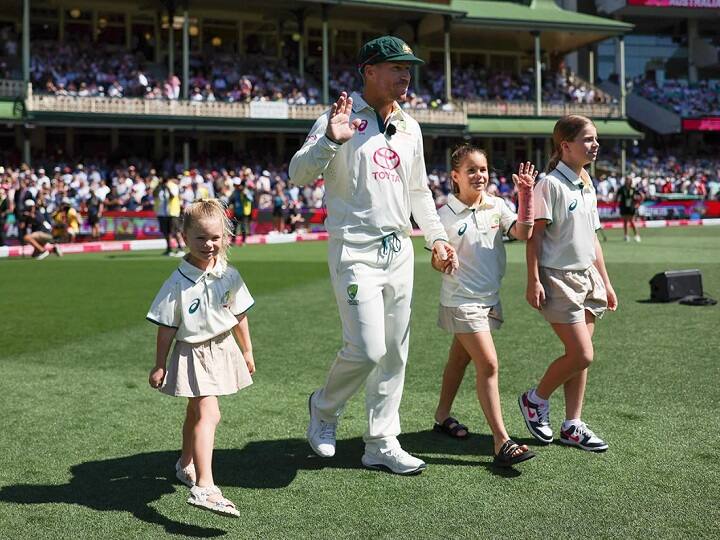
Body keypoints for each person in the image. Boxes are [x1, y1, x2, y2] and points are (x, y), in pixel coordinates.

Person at [289, 35, 458, 475]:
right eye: (396, 67)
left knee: (395, 353)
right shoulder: (338, 117)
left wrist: (436, 239)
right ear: (369, 71)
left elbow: (419, 191)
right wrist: (330, 139)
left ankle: (381, 441)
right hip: (354, 248)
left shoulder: (410, 126)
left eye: (408, 68)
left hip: (399, 248)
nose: (405, 75)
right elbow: (298, 175)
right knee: (366, 348)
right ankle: (323, 409)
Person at [146, 199, 255, 517]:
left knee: (196, 412)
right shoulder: (177, 283)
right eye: (201, 238)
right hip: (194, 353)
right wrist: (159, 363)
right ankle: (205, 487)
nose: (209, 245)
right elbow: (167, 327)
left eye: (215, 238)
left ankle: (185, 464)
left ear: (225, 236)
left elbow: (239, 314)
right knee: (210, 413)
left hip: (223, 349)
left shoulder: (229, 274)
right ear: (184, 236)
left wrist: (247, 350)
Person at [430, 144, 536, 467]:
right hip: (460, 301)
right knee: (488, 364)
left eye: (483, 170)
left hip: (488, 299)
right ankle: (501, 442)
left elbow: (523, 232)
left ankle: (441, 415)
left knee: (459, 359)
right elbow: (435, 260)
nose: (479, 175)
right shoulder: (443, 216)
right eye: (472, 170)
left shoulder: (497, 205)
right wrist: (443, 258)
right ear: (455, 176)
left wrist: (526, 196)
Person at [520, 115, 618, 453]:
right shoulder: (549, 184)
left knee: (578, 358)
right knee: (582, 354)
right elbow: (534, 238)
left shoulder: (586, 181)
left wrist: (605, 282)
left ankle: (572, 424)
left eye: (596, 139)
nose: (595, 145)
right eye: (588, 139)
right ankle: (535, 399)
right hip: (558, 278)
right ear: (565, 146)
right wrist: (533, 280)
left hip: (586, 277)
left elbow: (592, 240)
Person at [153, 176, 185, 256]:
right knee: (166, 232)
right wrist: (158, 186)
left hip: (172, 212)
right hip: (162, 213)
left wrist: (167, 187)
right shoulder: (159, 188)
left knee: (175, 231)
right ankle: (169, 249)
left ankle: (180, 248)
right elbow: (154, 194)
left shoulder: (173, 186)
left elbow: (172, 196)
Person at [616, 176, 642, 242]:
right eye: (626, 180)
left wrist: (638, 204)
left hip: (631, 207)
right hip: (623, 206)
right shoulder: (622, 188)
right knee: (625, 221)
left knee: (632, 221)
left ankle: (637, 235)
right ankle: (626, 236)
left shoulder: (633, 189)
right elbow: (616, 196)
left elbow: (641, 195)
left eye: (629, 180)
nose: (627, 181)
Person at [228, 179, 253, 244]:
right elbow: (231, 200)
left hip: (244, 212)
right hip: (236, 211)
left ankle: (243, 240)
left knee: (243, 227)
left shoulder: (246, 191)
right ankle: (233, 240)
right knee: (234, 227)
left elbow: (251, 199)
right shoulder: (235, 192)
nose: (236, 187)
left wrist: (245, 195)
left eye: (237, 185)